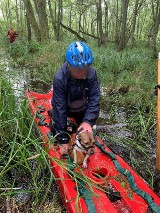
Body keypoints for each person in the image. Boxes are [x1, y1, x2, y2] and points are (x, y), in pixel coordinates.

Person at [51, 41, 100, 155]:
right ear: (69, 65)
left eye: (85, 68)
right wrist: (62, 139)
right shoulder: (59, 78)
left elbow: (94, 99)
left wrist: (88, 121)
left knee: (89, 129)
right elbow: (59, 107)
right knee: (55, 129)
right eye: (77, 69)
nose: (82, 72)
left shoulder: (92, 74)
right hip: (64, 108)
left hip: (81, 107)